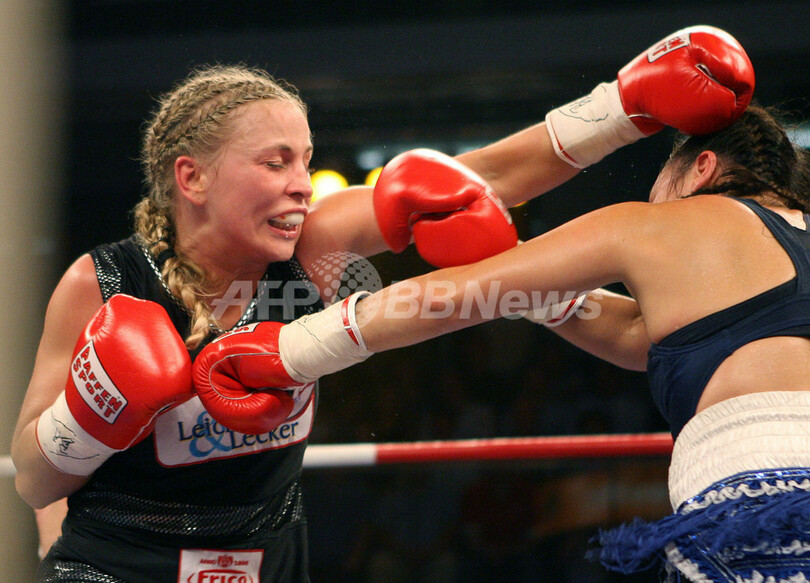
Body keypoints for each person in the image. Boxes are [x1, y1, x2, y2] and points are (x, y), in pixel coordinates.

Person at [10, 25, 751, 582]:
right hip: (118, 562)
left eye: (305, 160)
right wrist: (90, 414)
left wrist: (623, 107)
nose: (302, 183)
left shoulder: (314, 243)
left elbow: (473, 184)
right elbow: (37, 479)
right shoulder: (102, 284)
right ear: (191, 178)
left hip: (269, 558)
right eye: (275, 162)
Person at [189, 38, 810, 583]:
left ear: (701, 167)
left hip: (763, 490)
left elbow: (452, 297)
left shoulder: (660, 226)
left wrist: (292, 350)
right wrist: (535, 283)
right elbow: (638, 336)